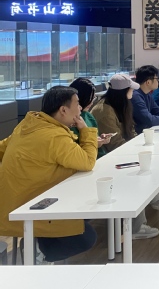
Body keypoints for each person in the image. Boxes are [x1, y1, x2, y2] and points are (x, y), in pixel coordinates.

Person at [0, 86, 97, 264]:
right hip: (36, 205)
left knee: (87, 211)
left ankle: (38, 244)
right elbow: (87, 162)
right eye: (77, 104)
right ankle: (40, 251)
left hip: (14, 202)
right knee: (86, 237)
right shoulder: (54, 136)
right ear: (63, 110)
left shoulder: (28, 125)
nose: (80, 108)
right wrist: (86, 131)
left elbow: (2, 148)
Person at [93, 73, 159, 237]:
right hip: (109, 159)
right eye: (130, 89)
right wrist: (136, 149)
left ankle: (157, 199)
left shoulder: (119, 106)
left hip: (120, 152)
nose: (132, 93)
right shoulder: (105, 111)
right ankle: (136, 227)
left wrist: (138, 146)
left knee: (149, 159)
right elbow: (114, 144)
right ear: (123, 92)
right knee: (140, 170)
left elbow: (130, 131)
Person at [69, 77, 112, 158]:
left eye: (93, 98)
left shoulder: (88, 116)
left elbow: (94, 137)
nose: (92, 102)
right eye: (90, 98)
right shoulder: (70, 121)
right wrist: (94, 143)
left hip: (99, 156)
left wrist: (101, 138)